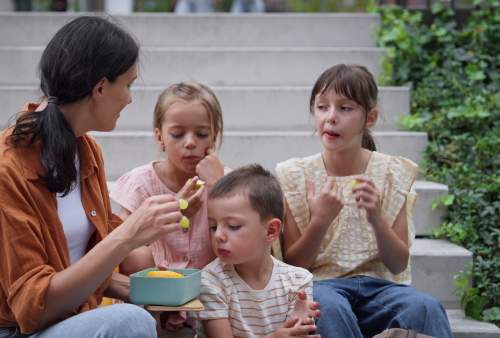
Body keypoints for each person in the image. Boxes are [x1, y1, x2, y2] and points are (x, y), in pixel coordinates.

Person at [0, 15, 185, 338]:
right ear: (101, 88)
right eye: (129, 84)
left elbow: (79, 268)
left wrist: (150, 292)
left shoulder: (86, 150)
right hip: (11, 330)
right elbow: (33, 308)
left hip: (72, 318)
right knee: (130, 323)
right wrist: (127, 236)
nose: (131, 98)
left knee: (141, 305)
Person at [276, 64, 453, 337]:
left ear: (370, 118)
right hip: (324, 285)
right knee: (328, 307)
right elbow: (294, 265)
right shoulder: (297, 176)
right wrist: (320, 220)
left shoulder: (392, 173)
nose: (331, 118)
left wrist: (377, 219)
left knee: (426, 307)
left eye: (345, 108)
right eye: (322, 107)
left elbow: (398, 264)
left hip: (382, 289)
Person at [110, 80, 229, 330]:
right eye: (177, 134)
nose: (189, 142)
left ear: (215, 136)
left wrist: (218, 186)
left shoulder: (226, 181)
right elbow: (122, 246)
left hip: (211, 296)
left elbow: (245, 235)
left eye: (202, 134)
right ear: (160, 137)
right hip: (154, 292)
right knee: (137, 254)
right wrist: (172, 212)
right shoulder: (141, 184)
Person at [190, 164, 321, 338]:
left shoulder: (298, 280)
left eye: (233, 226)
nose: (218, 236)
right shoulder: (211, 280)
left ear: (270, 231)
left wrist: (299, 326)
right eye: (213, 226)